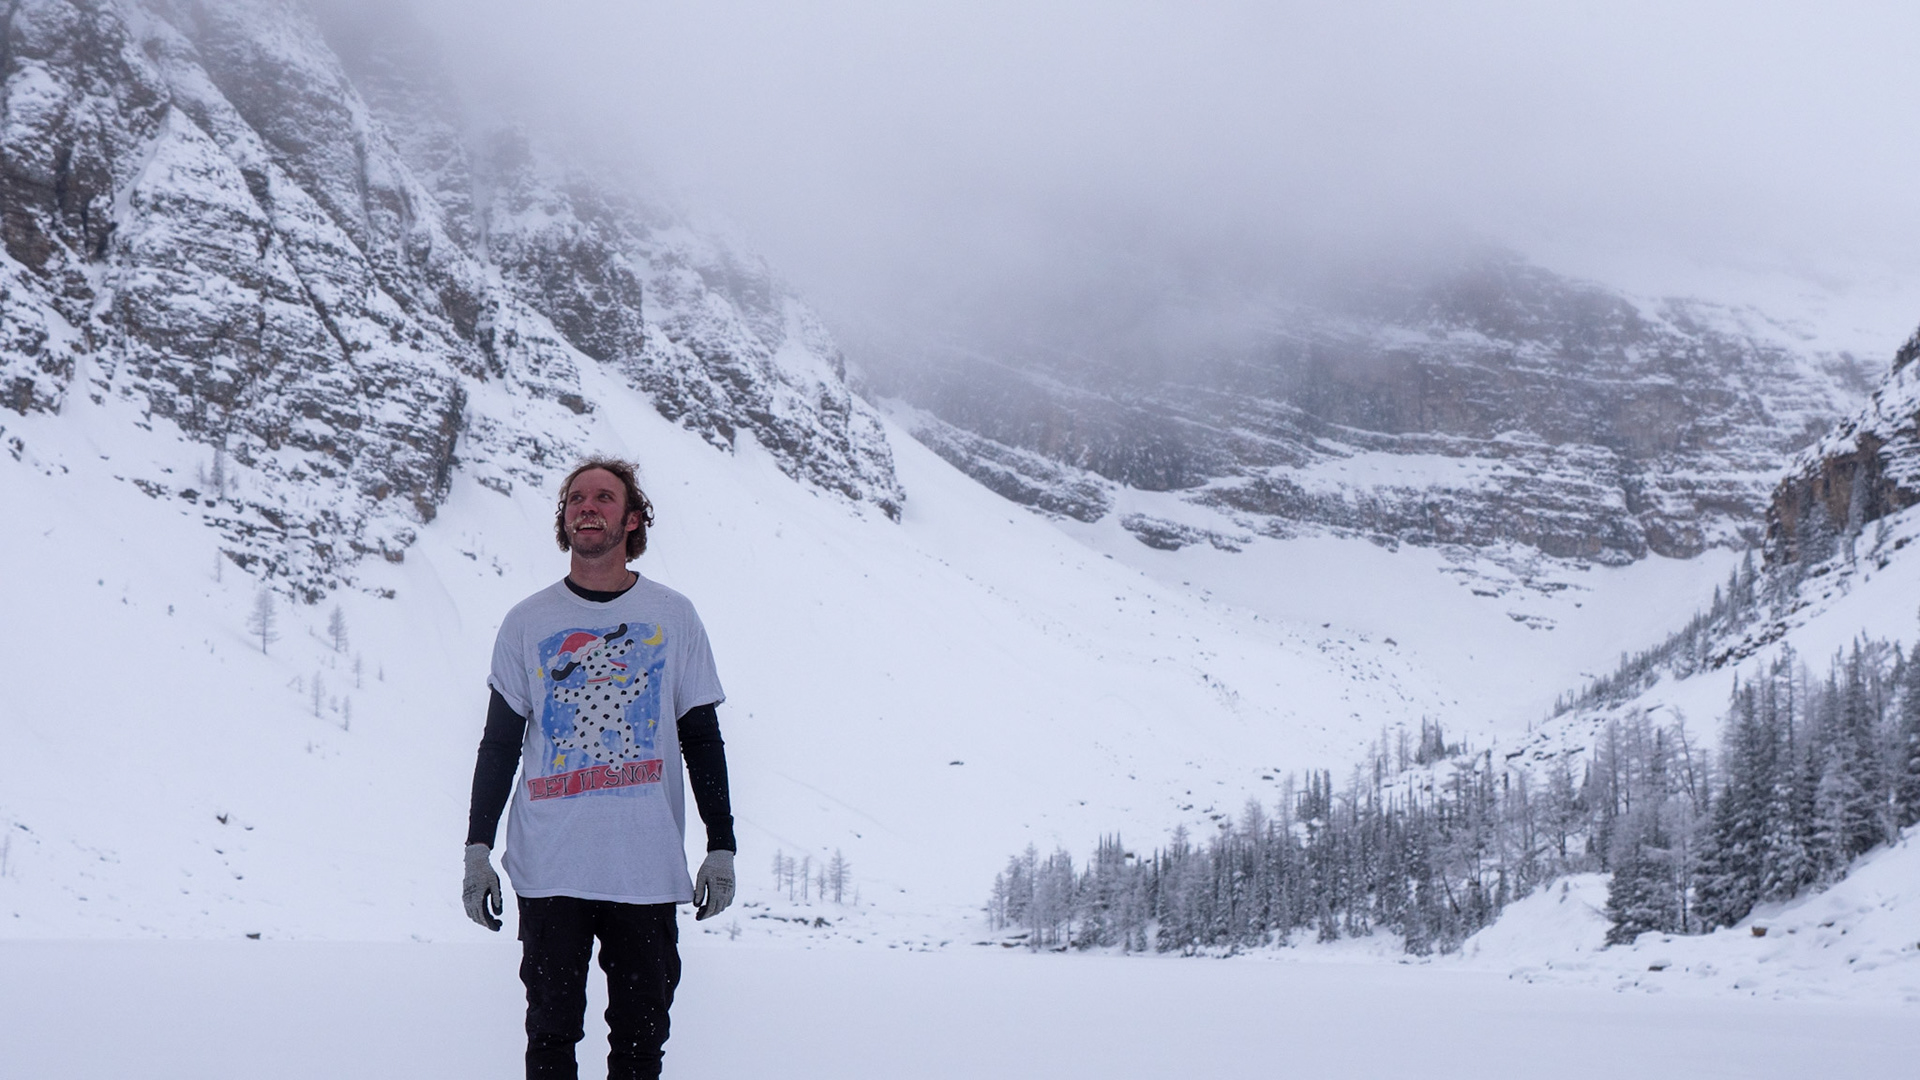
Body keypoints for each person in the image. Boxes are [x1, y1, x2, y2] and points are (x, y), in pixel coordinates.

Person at [463, 457, 737, 1080]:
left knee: (640, 1047)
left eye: (605, 498)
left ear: (632, 519)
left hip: (644, 868)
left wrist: (721, 846)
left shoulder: (674, 616)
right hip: (550, 867)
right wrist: (477, 850)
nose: (588, 507)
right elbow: (499, 744)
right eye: (576, 499)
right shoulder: (527, 622)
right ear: (564, 519)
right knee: (550, 1038)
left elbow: (701, 738)